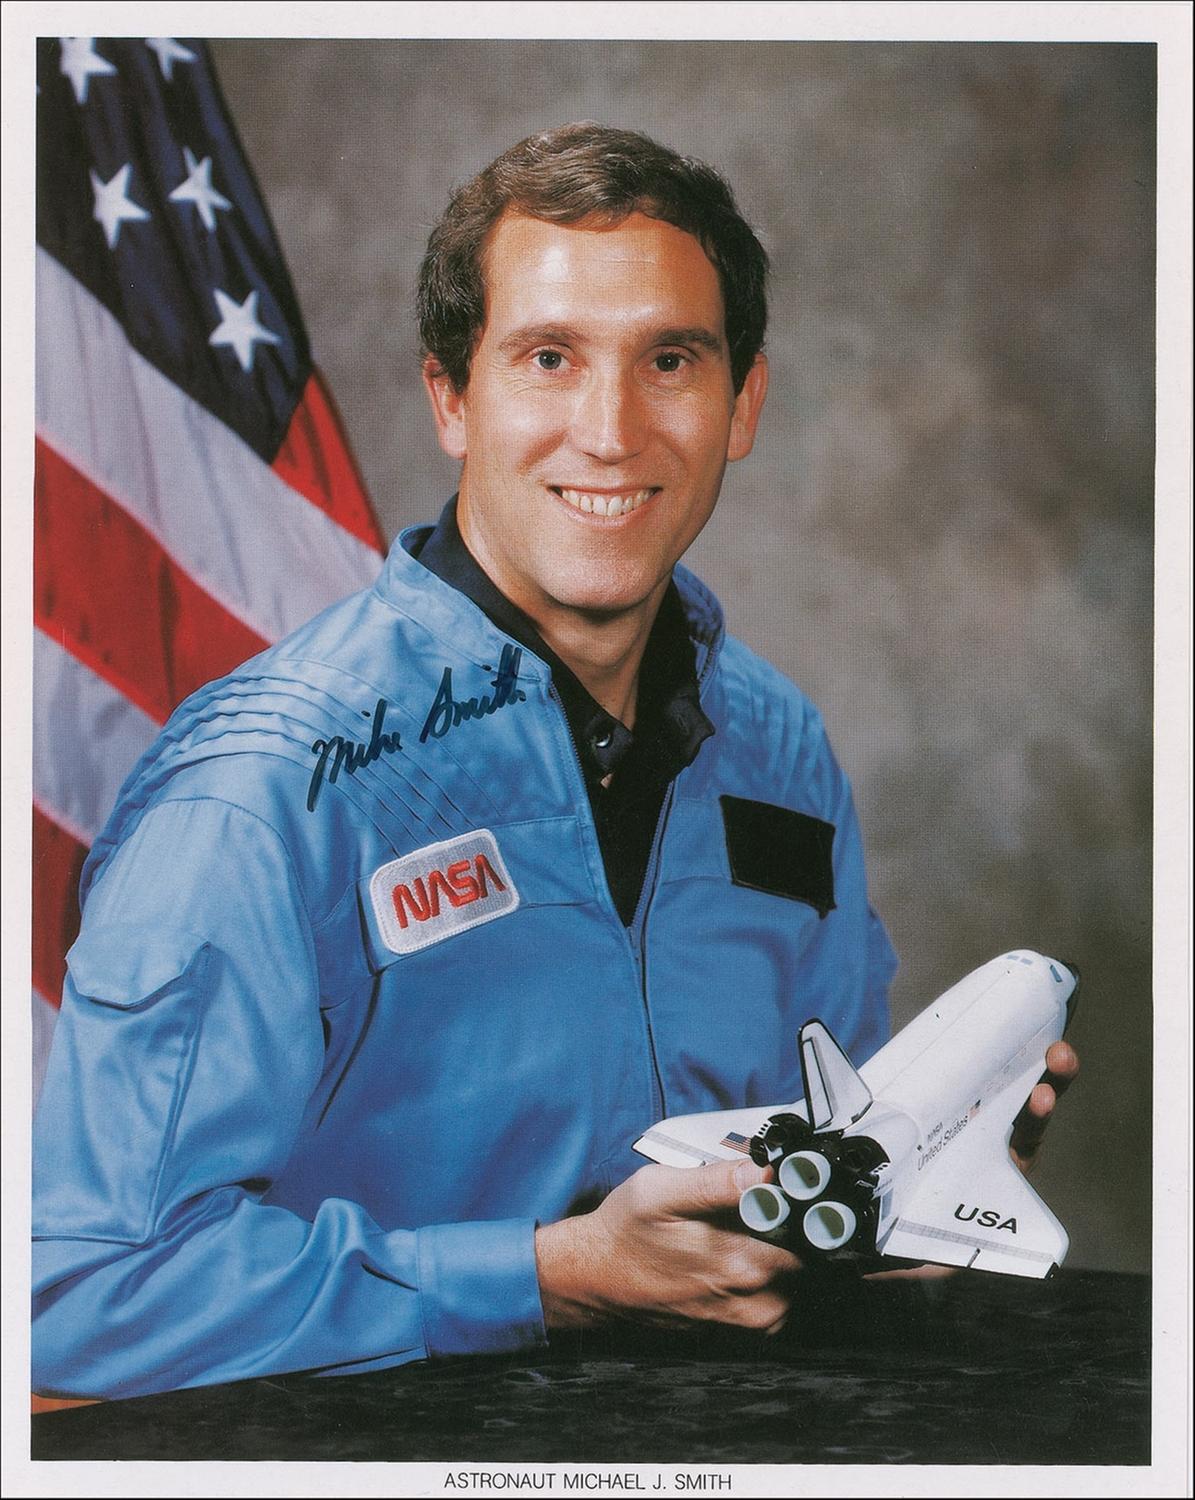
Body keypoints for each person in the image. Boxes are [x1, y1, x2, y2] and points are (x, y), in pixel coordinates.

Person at [32, 123, 1077, 1399]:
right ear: (451, 398)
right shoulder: (264, 790)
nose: (611, 431)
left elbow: (791, 1209)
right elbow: (78, 1294)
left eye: (670, 361)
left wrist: (904, 1183)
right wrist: (546, 1277)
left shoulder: (778, 749)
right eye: (548, 359)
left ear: (743, 403)